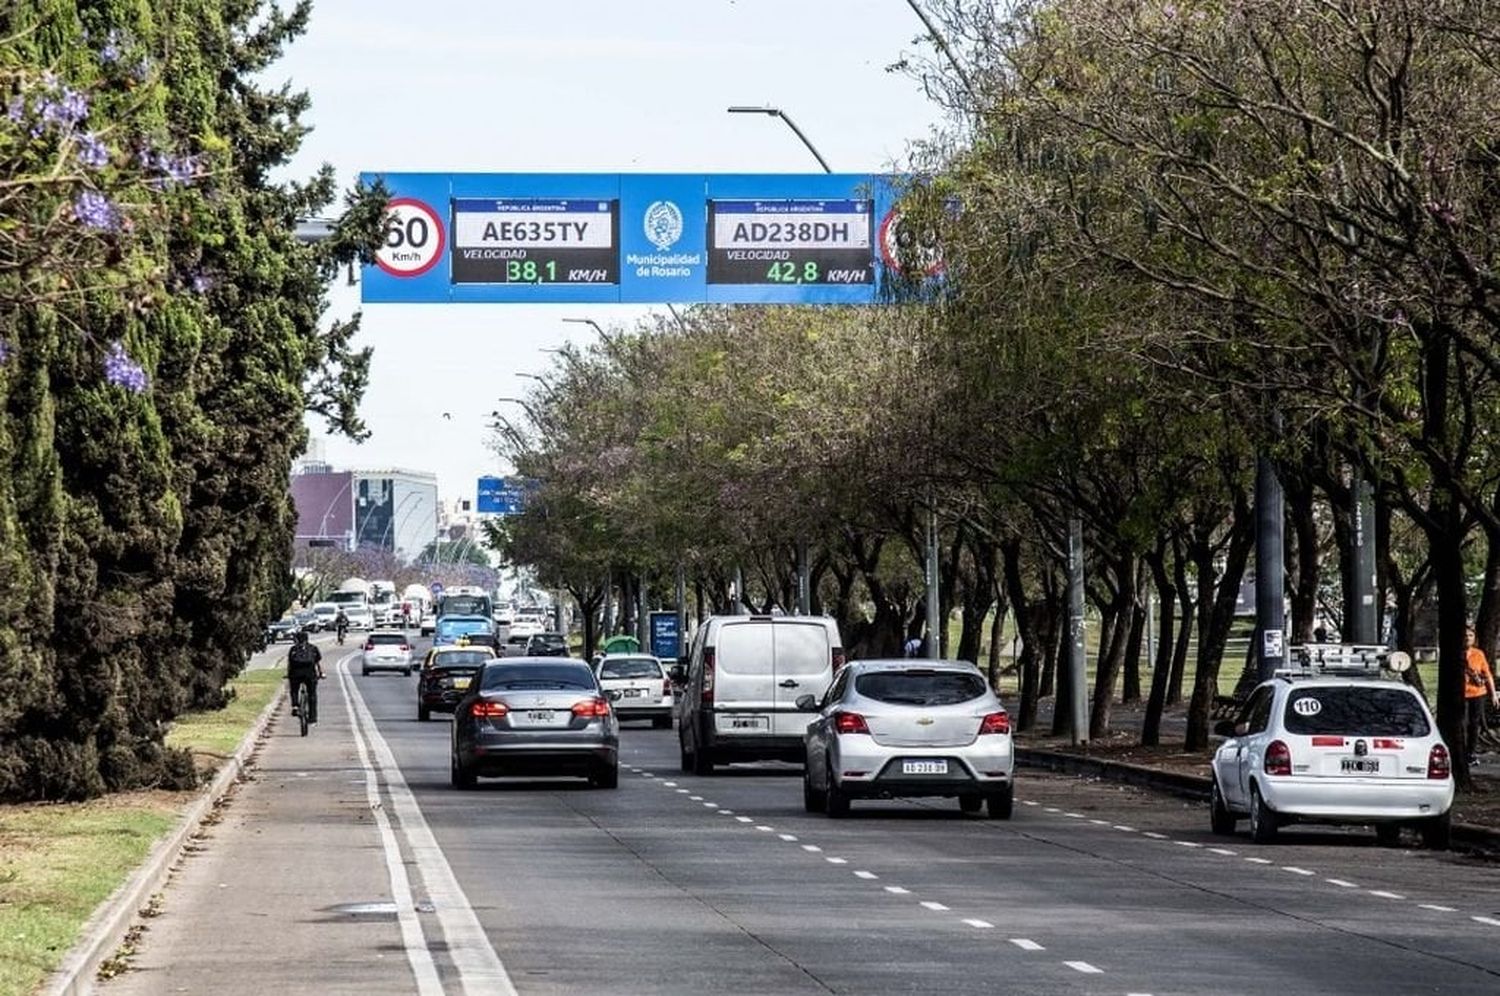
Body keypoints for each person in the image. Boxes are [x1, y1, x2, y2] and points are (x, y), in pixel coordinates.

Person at [1464, 626, 1498, 765]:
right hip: (1461, 695)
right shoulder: (1456, 654)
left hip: (1477, 693)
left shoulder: (1478, 654)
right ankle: (1460, 751)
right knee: (1461, 723)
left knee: (1474, 723)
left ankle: (1470, 753)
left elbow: (1487, 674)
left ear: (1474, 638)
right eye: (1465, 635)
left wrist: (1493, 694)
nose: (1467, 638)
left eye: (1470, 635)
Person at [287, 630, 325, 724]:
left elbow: (290, 664)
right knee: (312, 695)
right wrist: (321, 673)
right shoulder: (313, 648)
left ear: (297, 639)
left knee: (294, 689)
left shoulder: (293, 649)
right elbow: (318, 663)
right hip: (310, 674)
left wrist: (288, 674)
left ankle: (295, 705)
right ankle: (312, 719)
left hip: (296, 673)